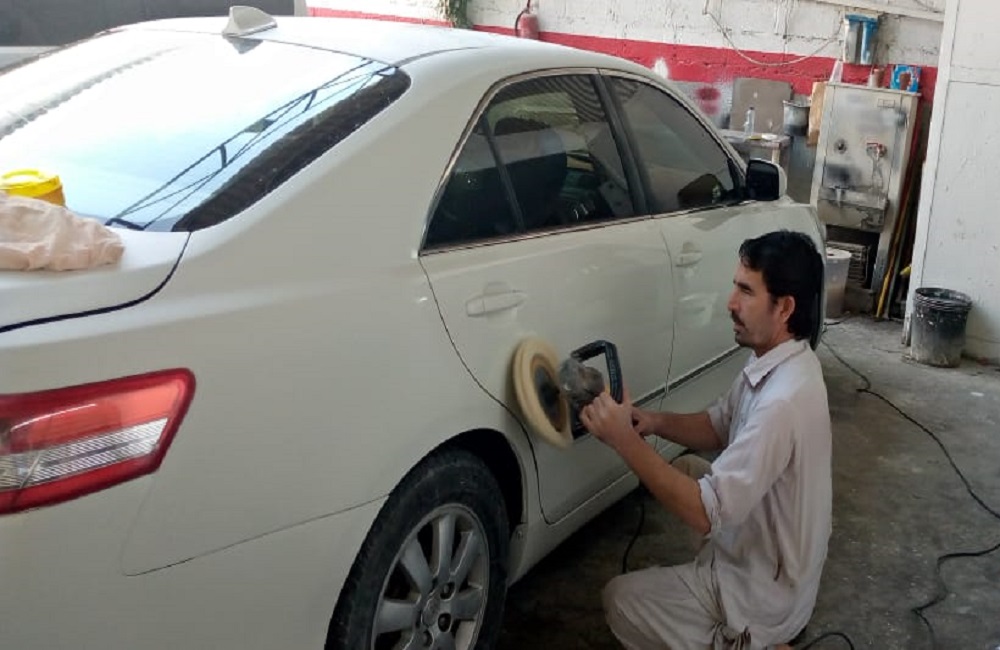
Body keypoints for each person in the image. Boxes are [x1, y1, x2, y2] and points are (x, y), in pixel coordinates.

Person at [580, 230, 831, 650]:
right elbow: (718, 425)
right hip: (776, 561)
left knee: (619, 600)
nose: (731, 303)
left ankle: (746, 640)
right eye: (735, 287)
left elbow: (703, 513)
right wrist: (651, 422)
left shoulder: (782, 403)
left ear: (784, 307)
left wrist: (624, 441)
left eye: (746, 291)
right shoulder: (784, 360)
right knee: (684, 469)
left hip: (763, 597)